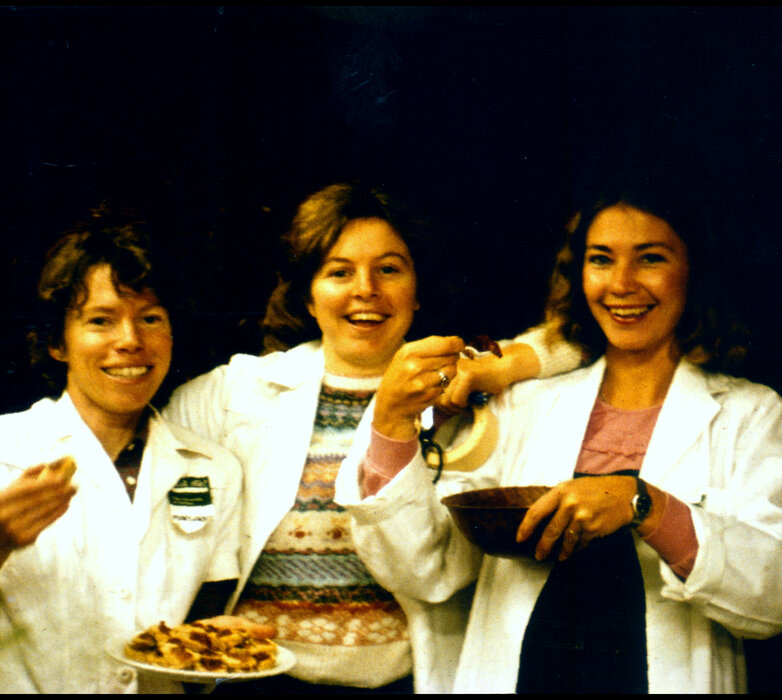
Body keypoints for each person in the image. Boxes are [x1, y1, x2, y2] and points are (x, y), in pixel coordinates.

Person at [334, 167, 782, 693]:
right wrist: (391, 428)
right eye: (600, 259)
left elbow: (781, 596)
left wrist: (646, 506)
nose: (621, 284)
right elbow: (425, 569)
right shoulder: (524, 403)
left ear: (695, 270)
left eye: (651, 258)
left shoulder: (751, 415)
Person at [163, 182, 582, 694]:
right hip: (257, 682)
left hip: (402, 683)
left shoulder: (459, 394)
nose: (366, 289)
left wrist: (501, 366)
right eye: (339, 271)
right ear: (307, 296)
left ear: (418, 289)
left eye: (389, 269)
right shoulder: (235, 392)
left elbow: (434, 574)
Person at [0, 206, 258, 693]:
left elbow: (200, 638)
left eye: (150, 318)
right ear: (57, 342)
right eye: (100, 320)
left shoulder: (216, 470)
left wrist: (218, 643)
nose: (130, 341)